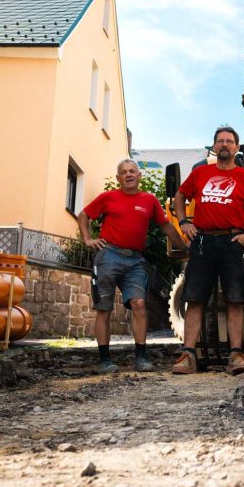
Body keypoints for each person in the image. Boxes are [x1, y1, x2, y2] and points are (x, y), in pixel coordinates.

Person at [171, 126, 244, 376]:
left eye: (229, 141)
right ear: (214, 146)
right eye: (220, 141)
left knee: (235, 299)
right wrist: (183, 222)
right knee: (195, 298)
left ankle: (236, 355)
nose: (224, 145)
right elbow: (179, 197)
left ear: (237, 147)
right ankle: (188, 355)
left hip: (232, 242)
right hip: (203, 241)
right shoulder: (200, 173)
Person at [79, 159, 188, 374]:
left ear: (139, 176)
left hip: (135, 260)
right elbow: (84, 215)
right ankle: (105, 361)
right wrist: (87, 239)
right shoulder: (108, 197)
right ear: (118, 178)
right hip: (108, 256)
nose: (128, 175)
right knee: (104, 308)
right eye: (124, 172)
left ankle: (141, 358)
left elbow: (166, 226)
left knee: (139, 303)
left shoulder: (149, 201)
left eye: (132, 171)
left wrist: (185, 249)